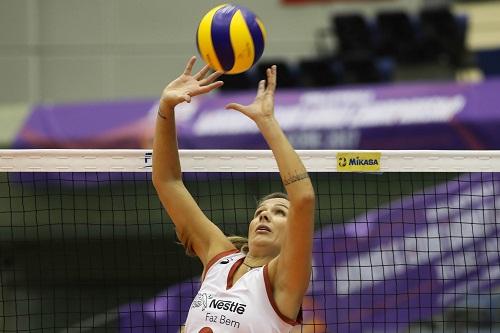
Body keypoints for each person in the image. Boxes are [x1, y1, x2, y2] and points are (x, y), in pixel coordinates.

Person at [152, 56, 315, 332]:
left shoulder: (284, 280)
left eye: (279, 213)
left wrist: (266, 122)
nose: (265, 214)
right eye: (261, 212)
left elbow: (304, 199)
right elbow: (167, 182)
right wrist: (167, 107)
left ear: (294, 233)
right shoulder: (219, 258)